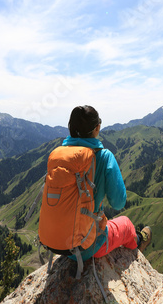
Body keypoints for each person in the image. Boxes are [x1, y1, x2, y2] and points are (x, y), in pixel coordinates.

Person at [64, 105, 152, 262]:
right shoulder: (104, 157)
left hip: (60, 243)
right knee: (125, 224)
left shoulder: (60, 156)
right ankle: (139, 240)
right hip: (88, 245)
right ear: (97, 128)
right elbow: (118, 202)